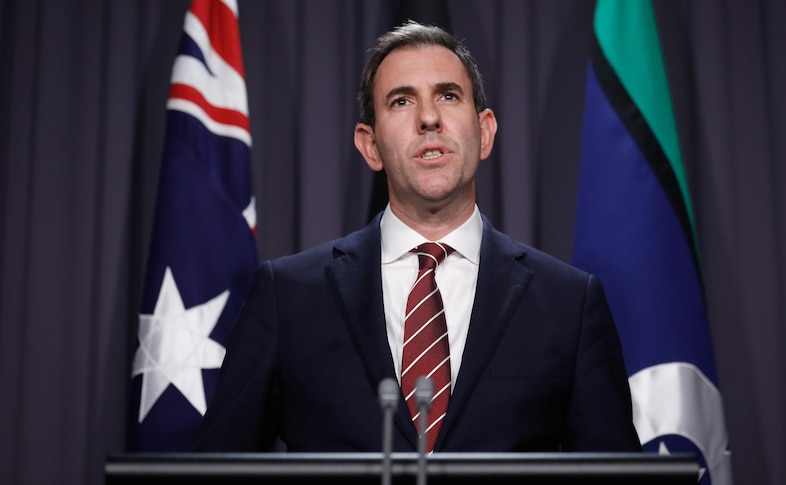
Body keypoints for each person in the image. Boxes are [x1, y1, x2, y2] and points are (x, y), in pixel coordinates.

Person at [193, 21, 640, 453]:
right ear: (370, 146)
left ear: (484, 132)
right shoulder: (287, 296)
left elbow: (616, 475)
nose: (429, 118)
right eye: (402, 102)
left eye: (448, 95)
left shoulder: (568, 303)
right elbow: (217, 470)